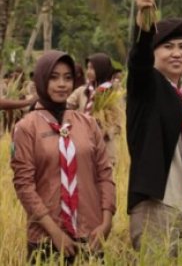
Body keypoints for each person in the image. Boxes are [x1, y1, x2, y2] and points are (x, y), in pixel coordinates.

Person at [126, 0, 182, 255]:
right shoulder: (147, 86)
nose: (176, 53)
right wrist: (143, 20)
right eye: (168, 47)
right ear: (154, 53)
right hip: (155, 207)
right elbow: (137, 62)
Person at [11, 51, 115, 262]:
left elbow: (104, 174)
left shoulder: (87, 123)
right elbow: (24, 185)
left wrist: (106, 221)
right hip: (45, 239)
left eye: (68, 78)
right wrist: (55, 233)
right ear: (41, 79)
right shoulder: (26, 127)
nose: (62, 84)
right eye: (54, 77)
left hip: (90, 234)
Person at [67, 53, 123, 166]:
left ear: (101, 69)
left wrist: (103, 131)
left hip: (105, 152)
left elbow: (119, 126)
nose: (88, 71)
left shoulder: (113, 95)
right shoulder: (82, 91)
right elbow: (66, 106)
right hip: (82, 147)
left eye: (92, 68)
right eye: (87, 68)